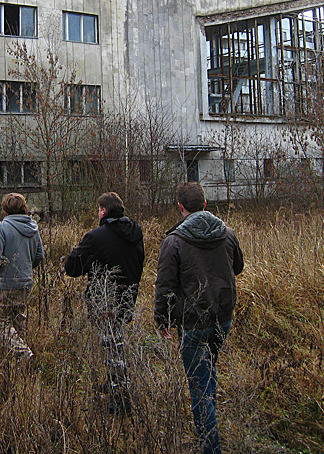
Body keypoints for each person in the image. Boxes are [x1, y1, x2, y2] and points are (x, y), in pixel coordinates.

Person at [154, 182, 244, 454]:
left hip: (192, 322)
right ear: (205, 204)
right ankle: (209, 427)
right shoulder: (227, 234)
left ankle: (210, 446)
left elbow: (164, 286)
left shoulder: (174, 241)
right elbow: (237, 267)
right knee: (207, 371)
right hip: (223, 317)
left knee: (199, 383)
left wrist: (162, 320)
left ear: (180, 207)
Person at [65, 192, 145, 413]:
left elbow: (72, 268)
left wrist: (81, 257)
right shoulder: (136, 234)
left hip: (105, 301)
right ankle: (114, 383)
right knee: (116, 343)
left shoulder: (97, 237)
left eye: (98, 210)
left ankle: (121, 399)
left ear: (103, 211)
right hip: (128, 298)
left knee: (112, 348)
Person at [0, 193, 44, 361]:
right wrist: (27, 268)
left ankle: (23, 353)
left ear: (5, 209)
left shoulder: (1, 227)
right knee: (18, 321)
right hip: (26, 281)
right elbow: (39, 255)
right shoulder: (33, 227)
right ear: (24, 208)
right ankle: (19, 367)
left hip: (7, 282)